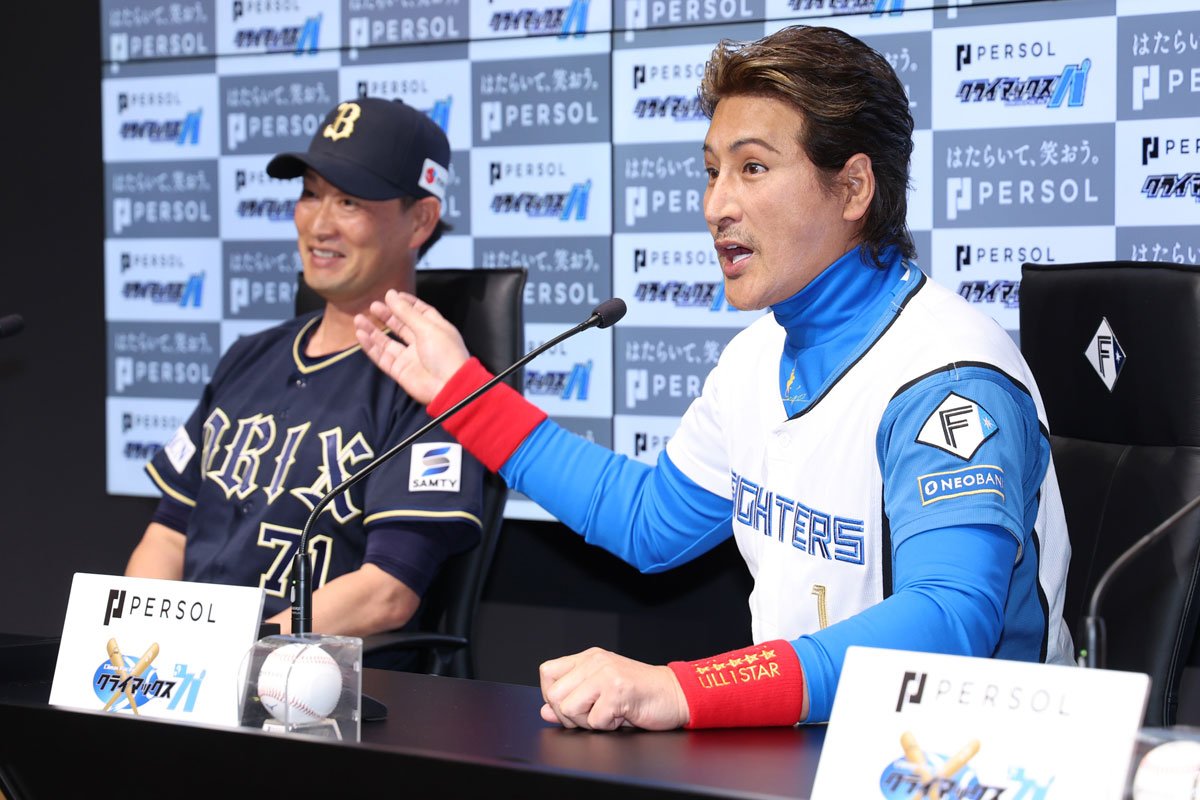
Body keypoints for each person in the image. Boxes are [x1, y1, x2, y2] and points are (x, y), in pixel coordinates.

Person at [356, 25, 1073, 729]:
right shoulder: (756, 357)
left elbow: (949, 622)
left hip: (973, 762)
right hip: (810, 749)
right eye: (711, 171)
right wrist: (466, 397)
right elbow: (647, 522)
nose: (715, 206)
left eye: (752, 168)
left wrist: (685, 689)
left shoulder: (947, 376)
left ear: (853, 188)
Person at [126, 97, 485, 640]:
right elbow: (168, 535)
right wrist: (139, 641)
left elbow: (388, 591)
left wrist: (232, 653)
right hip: (188, 669)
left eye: (349, 202)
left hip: (308, 677)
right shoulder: (248, 356)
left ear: (420, 221)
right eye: (311, 194)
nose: (319, 224)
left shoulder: (433, 380)